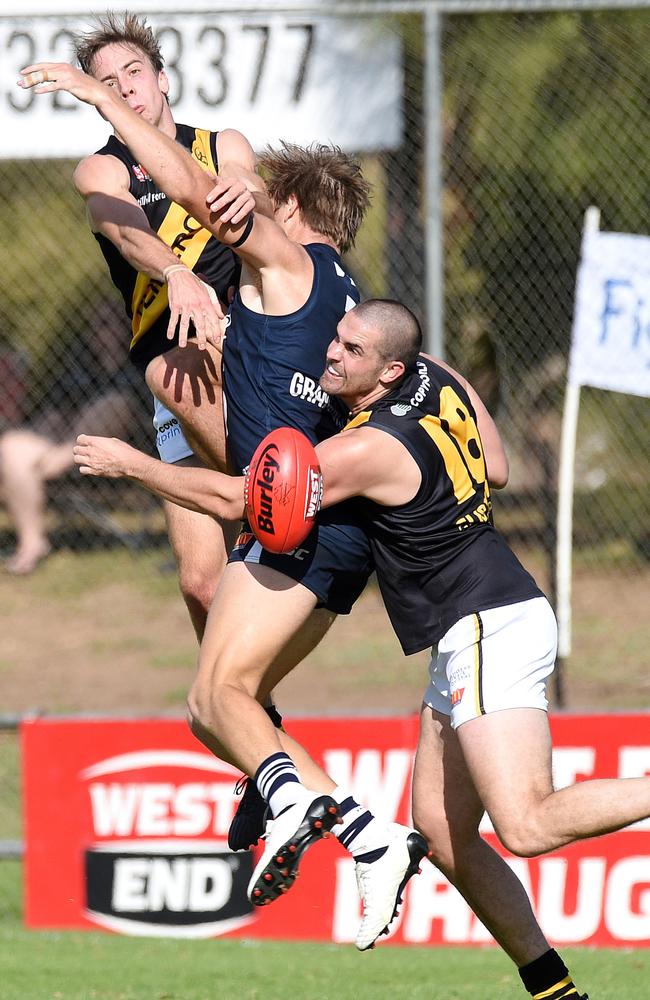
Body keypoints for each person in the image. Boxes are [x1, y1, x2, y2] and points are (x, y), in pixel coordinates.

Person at [72, 298, 645, 1000]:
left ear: (388, 370)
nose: (332, 354)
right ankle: (554, 990)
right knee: (440, 833)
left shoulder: (368, 448)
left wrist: (134, 466)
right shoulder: (436, 380)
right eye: (337, 340)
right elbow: (494, 468)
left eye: (350, 351)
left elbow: (235, 502)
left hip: (487, 623)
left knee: (525, 822)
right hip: (475, 624)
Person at [18, 59, 433, 951]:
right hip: (318, 518)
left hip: (295, 521)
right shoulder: (354, 312)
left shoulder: (288, 262)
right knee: (213, 676)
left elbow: (200, 192)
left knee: (216, 699)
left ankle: (341, 819)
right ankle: (338, 820)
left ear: (289, 216)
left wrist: (94, 101)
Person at [66, 12, 268, 638]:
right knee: (201, 585)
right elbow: (127, 234)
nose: (126, 87)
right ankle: (248, 712)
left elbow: (249, 183)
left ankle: (307, 515)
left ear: (163, 80)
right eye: (108, 81)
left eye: (134, 72)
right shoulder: (101, 170)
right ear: (100, 101)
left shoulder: (219, 143)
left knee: (259, 498)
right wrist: (175, 271)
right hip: (175, 353)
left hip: (251, 341)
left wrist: (245, 189)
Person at [0, 299, 149, 574]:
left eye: (108, 324)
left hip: (123, 449)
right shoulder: (82, 367)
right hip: (62, 445)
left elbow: (140, 414)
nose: (101, 332)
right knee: (12, 446)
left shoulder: (139, 361)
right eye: (96, 326)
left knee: (116, 402)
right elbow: (57, 408)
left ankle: (62, 456)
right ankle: (32, 543)